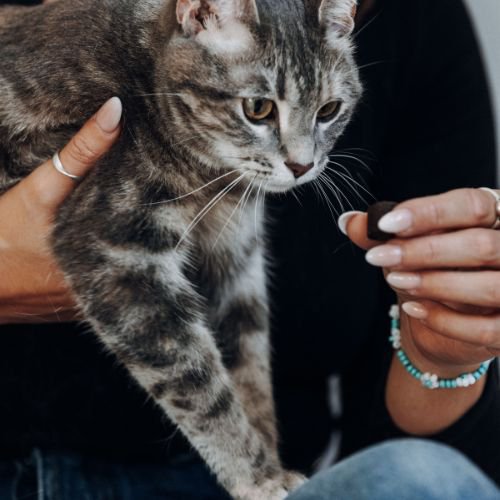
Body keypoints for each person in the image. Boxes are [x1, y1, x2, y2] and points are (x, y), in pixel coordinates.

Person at [0, 0, 499, 498]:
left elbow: (419, 454)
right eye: (260, 109)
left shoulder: (414, 23)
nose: (301, 160)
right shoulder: (118, 55)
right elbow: (118, 267)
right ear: (197, 14)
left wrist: (443, 357)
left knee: (427, 479)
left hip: (233, 480)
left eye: (327, 112)